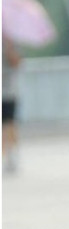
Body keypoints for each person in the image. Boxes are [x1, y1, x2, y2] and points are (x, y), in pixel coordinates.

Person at [2, 34, 22, 173]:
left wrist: (9, 47)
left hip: (8, 92)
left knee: (9, 124)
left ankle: (12, 156)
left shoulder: (11, 43)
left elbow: (17, 63)